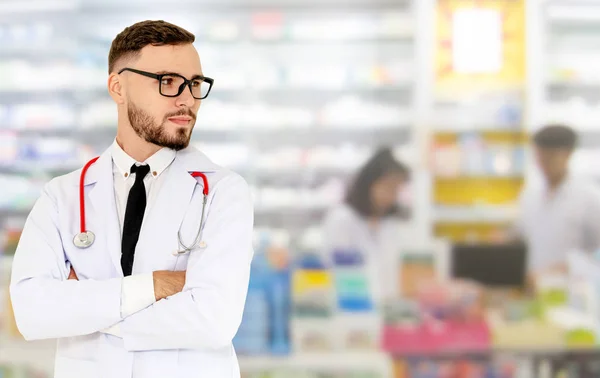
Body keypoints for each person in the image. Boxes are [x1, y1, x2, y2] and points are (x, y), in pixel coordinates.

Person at [9, 20, 254, 378]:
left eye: (195, 84)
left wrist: (86, 307)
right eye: (167, 81)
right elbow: (31, 312)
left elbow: (213, 320)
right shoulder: (62, 196)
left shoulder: (223, 192)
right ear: (117, 87)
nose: (187, 99)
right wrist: (155, 286)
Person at [321, 147, 410, 303]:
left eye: (397, 189)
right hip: (352, 309)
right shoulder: (342, 219)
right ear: (369, 183)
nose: (392, 195)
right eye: (388, 187)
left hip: (386, 308)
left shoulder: (389, 224)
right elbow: (335, 271)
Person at [512, 124, 600, 276]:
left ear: (568, 154)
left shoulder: (588, 197)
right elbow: (523, 237)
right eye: (539, 156)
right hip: (534, 286)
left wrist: (573, 266)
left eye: (550, 157)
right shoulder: (529, 195)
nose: (543, 164)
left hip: (574, 289)